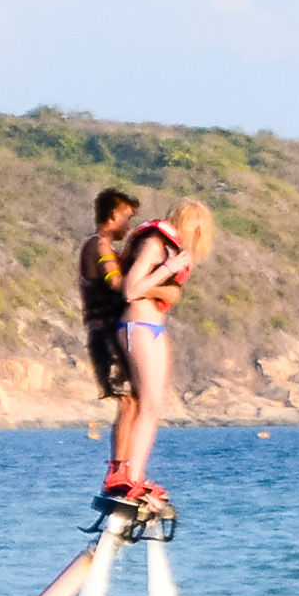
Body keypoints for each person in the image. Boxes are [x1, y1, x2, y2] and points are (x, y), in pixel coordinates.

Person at [110, 198, 219, 502]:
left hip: (155, 328)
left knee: (155, 407)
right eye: (192, 231)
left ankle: (136, 476)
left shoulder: (171, 248)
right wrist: (168, 269)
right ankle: (129, 478)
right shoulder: (155, 245)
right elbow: (132, 289)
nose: (193, 240)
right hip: (138, 326)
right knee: (147, 405)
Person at [78, 187, 140, 488]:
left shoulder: (104, 247)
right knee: (128, 402)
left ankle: (125, 469)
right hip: (103, 332)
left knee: (133, 402)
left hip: (109, 332)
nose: (128, 226)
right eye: (127, 217)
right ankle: (117, 472)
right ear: (113, 215)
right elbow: (115, 282)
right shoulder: (98, 245)